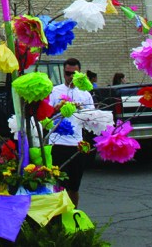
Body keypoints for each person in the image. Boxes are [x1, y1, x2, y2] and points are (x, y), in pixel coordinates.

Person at [47, 57, 95, 208]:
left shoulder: (85, 94)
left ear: (80, 74)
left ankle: (73, 213)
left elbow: (92, 119)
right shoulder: (54, 91)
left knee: (74, 186)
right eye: (67, 74)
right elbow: (45, 116)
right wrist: (57, 109)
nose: (70, 78)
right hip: (57, 143)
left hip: (77, 144)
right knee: (57, 184)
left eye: (74, 74)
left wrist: (81, 109)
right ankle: (58, 216)